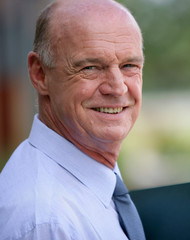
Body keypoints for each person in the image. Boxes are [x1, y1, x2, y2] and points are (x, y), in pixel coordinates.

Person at [0, 0, 146, 239]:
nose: (118, 88)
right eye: (90, 67)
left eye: (129, 65)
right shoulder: (48, 224)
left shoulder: (88, 188)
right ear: (40, 74)